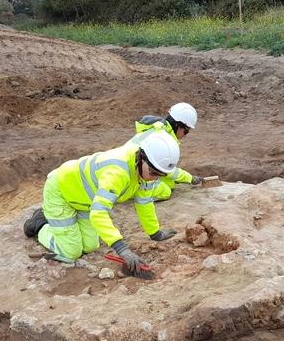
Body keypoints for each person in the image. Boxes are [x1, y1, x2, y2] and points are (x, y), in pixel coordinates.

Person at [23, 130, 180, 274]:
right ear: (142, 158)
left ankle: (60, 224)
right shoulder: (117, 173)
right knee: (71, 253)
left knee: (90, 246)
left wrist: (155, 233)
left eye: (160, 175)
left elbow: (144, 203)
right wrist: (122, 250)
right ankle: (40, 224)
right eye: (153, 173)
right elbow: (99, 213)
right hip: (61, 193)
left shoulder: (146, 171)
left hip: (84, 202)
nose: (155, 178)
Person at [128, 102, 203, 201]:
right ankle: (131, 193)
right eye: (186, 131)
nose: (186, 135)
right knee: (165, 191)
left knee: (169, 183)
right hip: (131, 174)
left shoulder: (158, 129)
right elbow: (169, 171)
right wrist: (190, 178)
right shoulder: (163, 139)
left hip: (133, 167)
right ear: (177, 125)